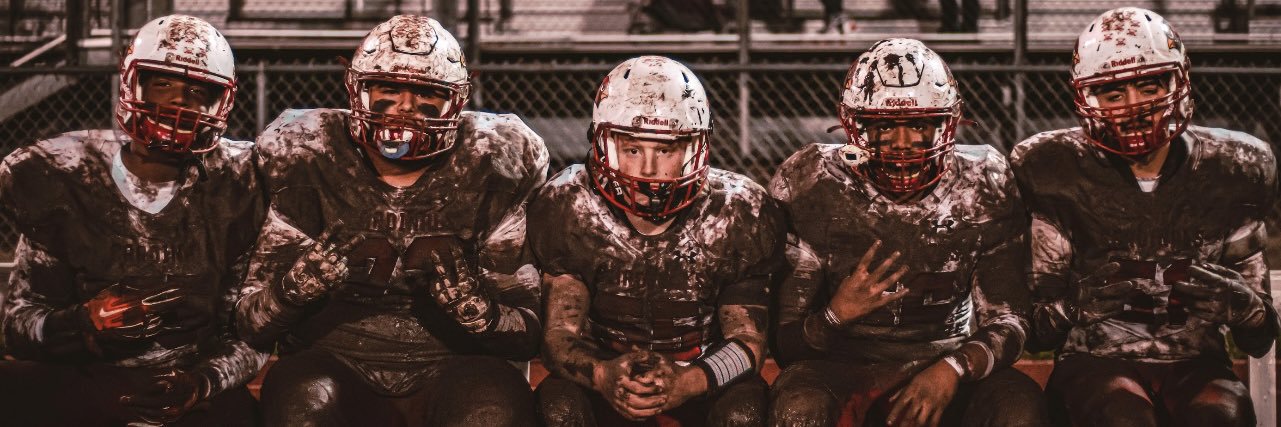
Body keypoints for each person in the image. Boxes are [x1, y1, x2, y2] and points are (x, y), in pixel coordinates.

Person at [235, 15, 549, 426]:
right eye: (389, 89)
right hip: (334, 359)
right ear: (357, 90)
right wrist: (291, 291)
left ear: (456, 101)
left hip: (455, 362)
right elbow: (251, 324)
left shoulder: (495, 159)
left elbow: (527, 333)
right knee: (301, 405)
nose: (406, 107)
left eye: (426, 93)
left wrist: (485, 315)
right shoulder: (304, 151)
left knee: (492, 409)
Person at [1011, 7, 1278, 427]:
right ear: (1089, 100)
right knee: (1123, 416)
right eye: (1114, 95)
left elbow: (1258, 339)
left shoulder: (1234, 168)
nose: (1134, 107)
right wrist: (1071, 308)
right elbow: (1039, 333)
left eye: (1149, 87)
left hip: (1197, 361)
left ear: (1178, 83)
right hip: (1094, 360)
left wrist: (1244, 308)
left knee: (1222, 416)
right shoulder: (1052, 168)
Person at [0, 14, 266, 426]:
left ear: (220, 102)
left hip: (190, 380)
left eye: (198, 91)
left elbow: (253, 332)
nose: (179, 101)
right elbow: (19, 324)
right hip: (89, 376)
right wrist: (83, 322)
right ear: (132, 83)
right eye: (163, 84)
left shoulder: (238, 183)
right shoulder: (68, 176)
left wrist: (200, 382)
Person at [767, 38, 1046, 427]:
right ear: (855, 126)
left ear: (948, 123)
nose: (902, 144)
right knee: (799, 409)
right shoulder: (813, 181)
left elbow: (1010, 320)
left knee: (1018, 408)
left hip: (943, 353)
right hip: (844, 362)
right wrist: (834, 315)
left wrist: (953, 367)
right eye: (884, 125)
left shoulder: (984, 181)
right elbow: (785, 345)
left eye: (918, 124)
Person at [532, 55, 785, 426]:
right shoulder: (568, 204)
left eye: (665, 150)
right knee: (560, 407)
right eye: (633, 149)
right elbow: (559, 335)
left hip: (701, 370)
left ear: (693, 149)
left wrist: (689, 381)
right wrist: (602, 374)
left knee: (743, 412)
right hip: (606, 367)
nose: (648, 170)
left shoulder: (739, 209)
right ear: (605, 145)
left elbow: (748, 341)